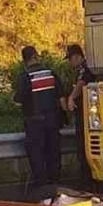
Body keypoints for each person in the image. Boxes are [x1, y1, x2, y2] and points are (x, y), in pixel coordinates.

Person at [14, 45, 65, 191]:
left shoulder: (25, 77)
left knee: (36, 153)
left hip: (34, 122)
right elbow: (61, 98)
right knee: (53, 151)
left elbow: (18, 101)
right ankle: (55, 182)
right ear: (36, 56)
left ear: (24, 60)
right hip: (53, 120)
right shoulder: (50, 73)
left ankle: (42, 186)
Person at [65, 43, 96, 189]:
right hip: (85, 114)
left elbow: (81, 83)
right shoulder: (82, 68)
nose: (69, 63)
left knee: (84, 147)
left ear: (77, 57)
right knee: (82, 147)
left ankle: (88, 182)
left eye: (70, 59)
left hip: (86, 114)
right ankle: (87, 180)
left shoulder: (85, 69)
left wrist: (71, 97)